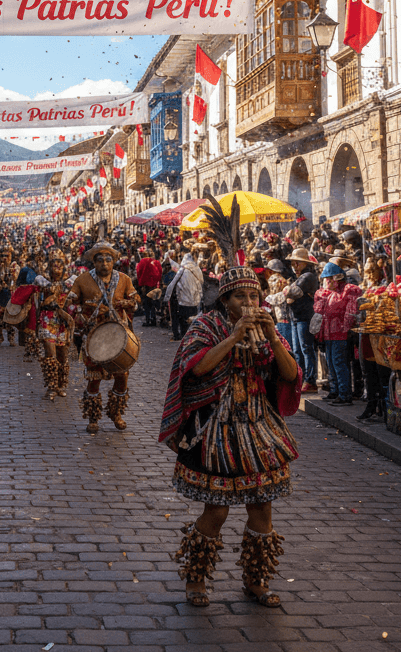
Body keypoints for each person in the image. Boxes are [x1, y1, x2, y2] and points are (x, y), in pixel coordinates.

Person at [159, 264, 301, 608]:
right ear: (225, 300)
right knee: (217, 511)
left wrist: (270, 337)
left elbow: (291, 373)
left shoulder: (267, 326)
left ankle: (256, 579)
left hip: (257, 422)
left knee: (261, 507)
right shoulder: (206, 325)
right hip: (217, 426)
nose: (249, 302)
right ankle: (196, 579)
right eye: (241, 296)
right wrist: (235, 336)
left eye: (254, 295)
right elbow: (196, 367)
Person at [68, 240, 139, 433]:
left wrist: (127, 303)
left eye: (108, 260)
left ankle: (116, 412)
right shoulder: (82, 280)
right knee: (94, 377)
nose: (105, 264)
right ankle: (93, 417)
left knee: (122, 375)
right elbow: (70, 303)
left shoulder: (124, 279)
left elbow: (135, 300)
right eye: (100, 260)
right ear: (94, 261)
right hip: (94, 336)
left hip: (118, 335)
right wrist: (84, 307)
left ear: (114, 261)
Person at [313, 261, 361, 405]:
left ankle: (345, 395)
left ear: (337, 278)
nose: (325, 282)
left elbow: (351, 313)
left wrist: (346, 329)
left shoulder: (349, 290)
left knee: (339, 364)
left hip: (341, 334)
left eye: (328, 279)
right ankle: (335, 391)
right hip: (329, 334)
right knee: (331, 364)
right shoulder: (331, 294)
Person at [37, 251, 75, 399]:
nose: (56, 268)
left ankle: (60, 385)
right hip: (48, 319)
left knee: (62, 355)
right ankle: (51, 387)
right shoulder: (43, 280)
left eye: (60, 265)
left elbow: (75, 297)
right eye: (54, 264)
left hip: (63, 321)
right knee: (50, 353)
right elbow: (38, 285)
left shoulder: (70, 281)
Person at [285, 248, 320, 392]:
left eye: (296, 263)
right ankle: (301, 379)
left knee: (306, 349)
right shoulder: (300, 277)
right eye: (293, 263)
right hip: (296, 317)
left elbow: (290, 294)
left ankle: (310, 380)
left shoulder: (308, 277)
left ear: (303, 263)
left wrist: (287, 290)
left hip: (304, 318)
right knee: (298, 351)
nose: (294, 266)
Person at [166, 252, 203, 342]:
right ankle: (192, 338)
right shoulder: (197, 269)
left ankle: (185, 339)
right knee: (193, 321)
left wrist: (166, 297)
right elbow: (202, 282)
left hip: (184, 301)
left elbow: (173, 283)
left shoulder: (182, 269)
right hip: (195, 301)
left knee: (184, 322)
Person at [136, 248, 162, 327]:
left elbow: (138, 272)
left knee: (146, 304)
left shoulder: (142, 262)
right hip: (154, 285)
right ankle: (153, 319)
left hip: (145, 286)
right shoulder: (156, 262)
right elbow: (160, 272)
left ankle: (148, 320)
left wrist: (140, 283)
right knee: (153, 303)